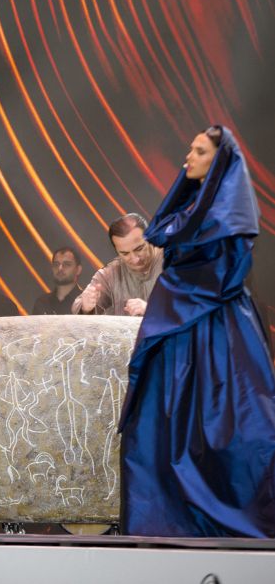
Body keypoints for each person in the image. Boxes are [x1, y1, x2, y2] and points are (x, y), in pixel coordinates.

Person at [119, 125, 275, 537]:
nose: (188, 157)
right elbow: (164, 236)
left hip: (217, 329)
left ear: (219, 161)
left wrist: (174, 299)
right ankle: (171, 523)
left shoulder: (226, 216)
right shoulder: (194, 209)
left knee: (231, 422)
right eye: (190, 149)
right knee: (165, 425)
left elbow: (223, 275)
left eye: (200, 151)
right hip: (181, 328)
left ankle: (233, 521)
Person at [72, 214, 163, 316]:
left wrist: (151, 310)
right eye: (125, 253)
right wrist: (86, 307)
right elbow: (79, 308)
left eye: (139, 249)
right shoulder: (111, 273)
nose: (135, 259)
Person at [31, 247, 83, 315]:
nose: (60, 268)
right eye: (56, 264)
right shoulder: (41, 303)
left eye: (67, 264)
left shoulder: (86, 302)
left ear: (78, 270)